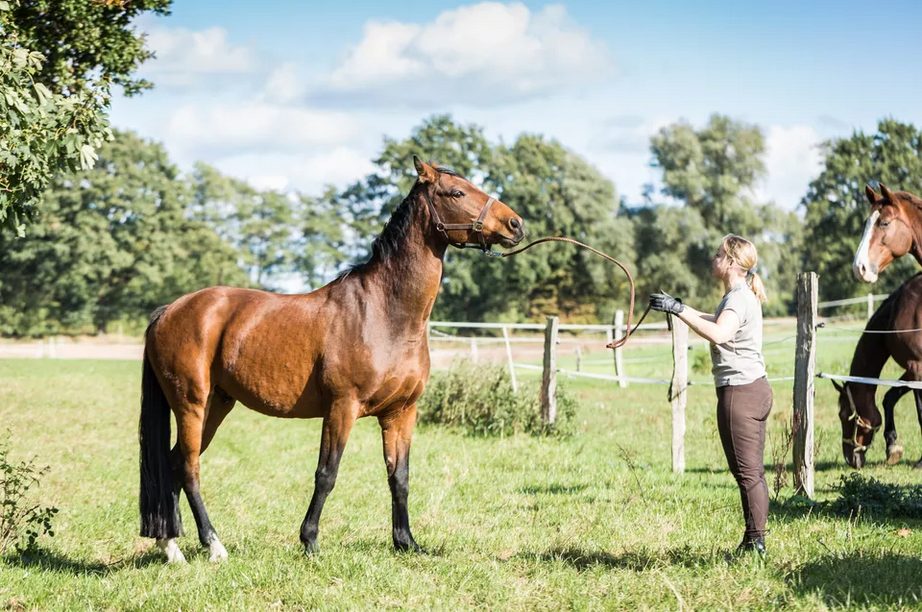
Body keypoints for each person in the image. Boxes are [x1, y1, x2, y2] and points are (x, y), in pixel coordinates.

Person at [649, 234, 773, 556]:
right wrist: (680, 308)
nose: (713, 259)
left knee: (747, 475)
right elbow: (715, 322)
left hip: (740, 394)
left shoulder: (737, 299)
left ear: (731, 262)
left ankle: (755, 543)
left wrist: (678, 309)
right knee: (752, 473)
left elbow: (719, 333)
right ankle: (752, 539)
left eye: (719, 254)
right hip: (755, 388)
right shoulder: (740, 295)